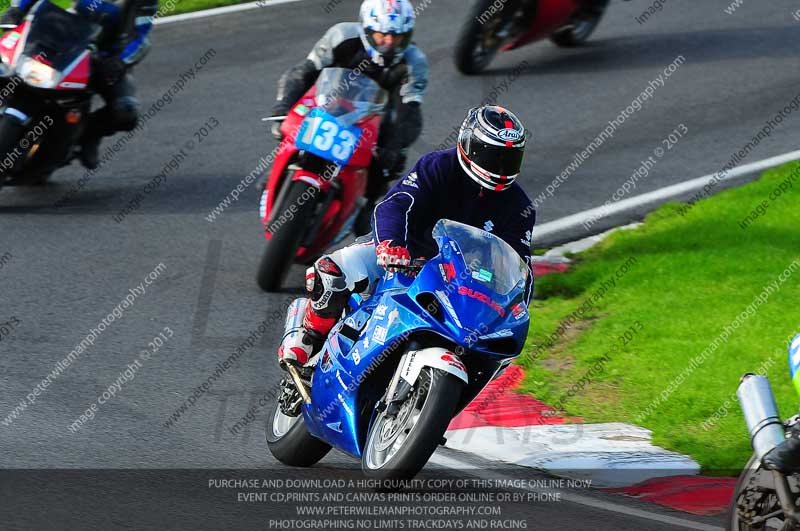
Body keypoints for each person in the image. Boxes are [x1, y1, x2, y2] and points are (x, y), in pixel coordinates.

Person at [278, 105, 536, 367]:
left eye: (509, 158)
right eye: (493, 156)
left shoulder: (519, 207)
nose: (501, 167)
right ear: (469, 145)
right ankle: (309, 338)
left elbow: (519, 264)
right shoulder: (438, 166)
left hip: (458, 282)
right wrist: (391, 244)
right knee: (333, 272)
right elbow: (396, 204)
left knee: (491, 354)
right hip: (404, 256)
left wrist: (514, 307)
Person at [270, 0, 428, 235]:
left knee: (389, 162)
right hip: (328, 100)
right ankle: (278, 172)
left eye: (399, 37)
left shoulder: (415, 61)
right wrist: (283, 107)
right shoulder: (341, 35)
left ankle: (368, 202)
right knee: (286, 127)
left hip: (376, 117)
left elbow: (411, 109)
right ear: (366, 28)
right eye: (382, 35)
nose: (390, 43)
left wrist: (394, 147)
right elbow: (302, 72)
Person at [0, 0, 158, 170]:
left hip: (106, 59)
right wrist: (18, 9)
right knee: (7, 62)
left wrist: (120, 60)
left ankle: (89, 136)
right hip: (66, 40)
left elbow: (141, 38)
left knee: (126, 111)